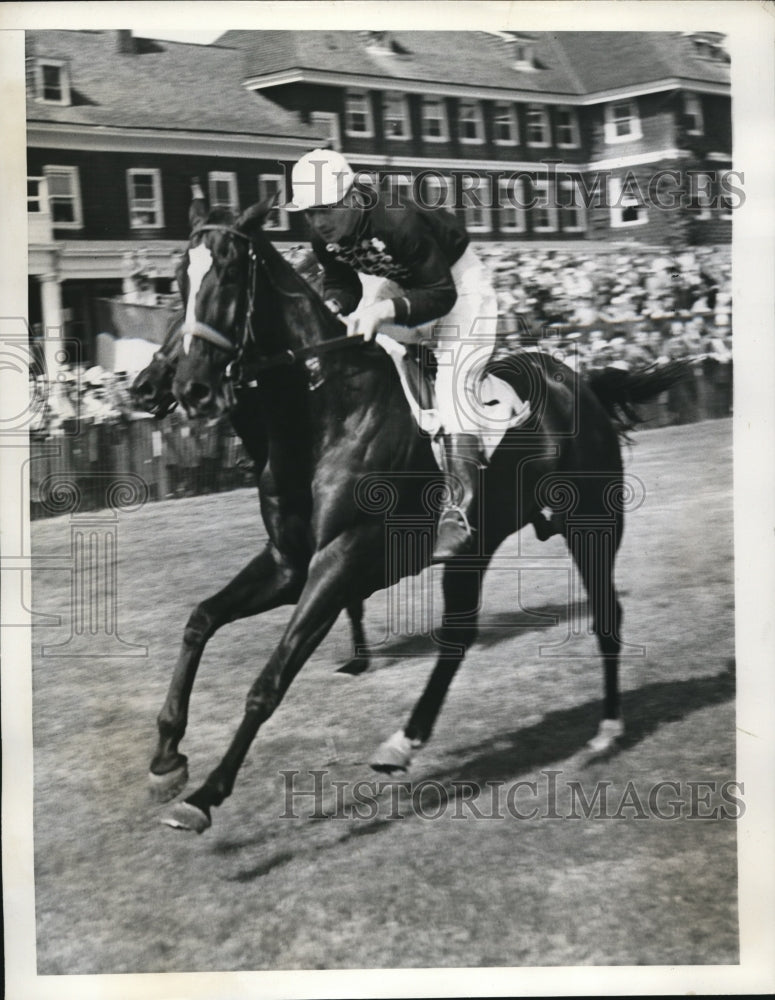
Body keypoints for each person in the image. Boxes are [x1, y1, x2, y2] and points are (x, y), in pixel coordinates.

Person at [285, 148, 499, 561]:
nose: (318, 221)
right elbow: (341, 281)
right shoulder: (323, 234)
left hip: (458, 285)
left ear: (351, 197)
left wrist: (382, 310)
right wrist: (334, 306)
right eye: (310, 212)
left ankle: (458, 515)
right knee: (364, 349)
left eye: (326, 208)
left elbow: (441, 294)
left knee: (455, 387)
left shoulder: (398, 218)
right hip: (404, 283)